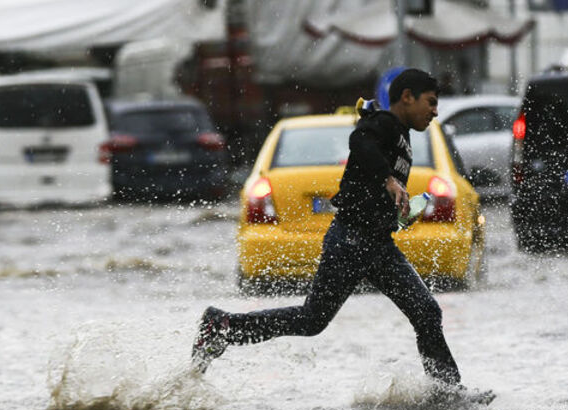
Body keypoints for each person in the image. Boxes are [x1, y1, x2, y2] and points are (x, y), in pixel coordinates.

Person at [191, 69, 461, 388]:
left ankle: (446, 391)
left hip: (375, 243)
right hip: (352, 241)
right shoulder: (384, 123)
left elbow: (367, 187)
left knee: (421, 312)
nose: (435, 111)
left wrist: (398, 214)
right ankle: (222, 327)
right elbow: (360, 141)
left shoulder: (400, 134)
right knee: (316, 319)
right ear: (407, 98)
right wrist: (388, 179)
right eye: (431, 102)